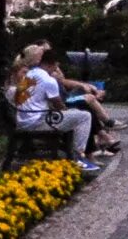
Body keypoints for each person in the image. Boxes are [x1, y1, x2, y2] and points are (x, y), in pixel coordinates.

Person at [13, 42, 96, 170]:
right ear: (52, 64)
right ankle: (77, 157)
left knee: (74, 114)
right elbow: (59, 105)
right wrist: (68, 111)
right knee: (84, 116)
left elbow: (20, 97)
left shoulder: (30, 74)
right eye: (56, 67)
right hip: (37, 123)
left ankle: (73, 153)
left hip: (23, 120)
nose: (55, 70)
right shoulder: (48, 80)